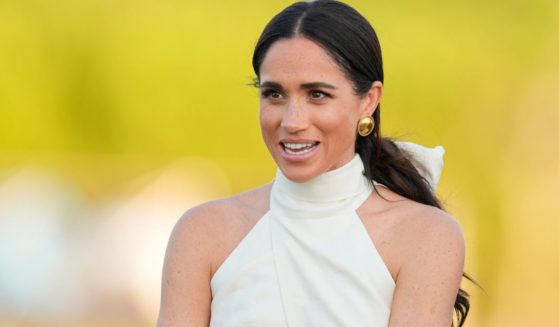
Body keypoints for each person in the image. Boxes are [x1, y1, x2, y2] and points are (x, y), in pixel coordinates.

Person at [157, 1, 471, 326]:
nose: (292, 121)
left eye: (317, 95)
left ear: (369, 100)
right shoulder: (202, 234)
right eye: (274, 94)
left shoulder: (425, 236)